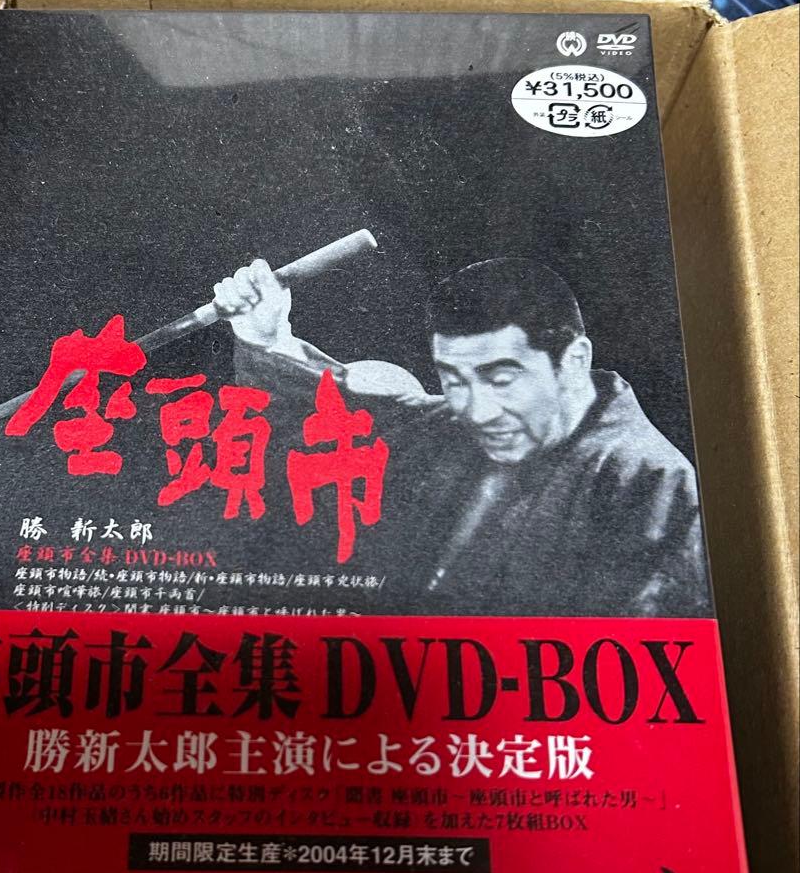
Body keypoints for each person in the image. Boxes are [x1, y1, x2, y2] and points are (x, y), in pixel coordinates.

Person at [211, 255, 712, 617]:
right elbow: (349, 415)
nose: (476, 410)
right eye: (453, 379)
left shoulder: (646, 483)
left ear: (574, 360)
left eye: (501, 379)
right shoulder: (455, 425)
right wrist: (268, 338)